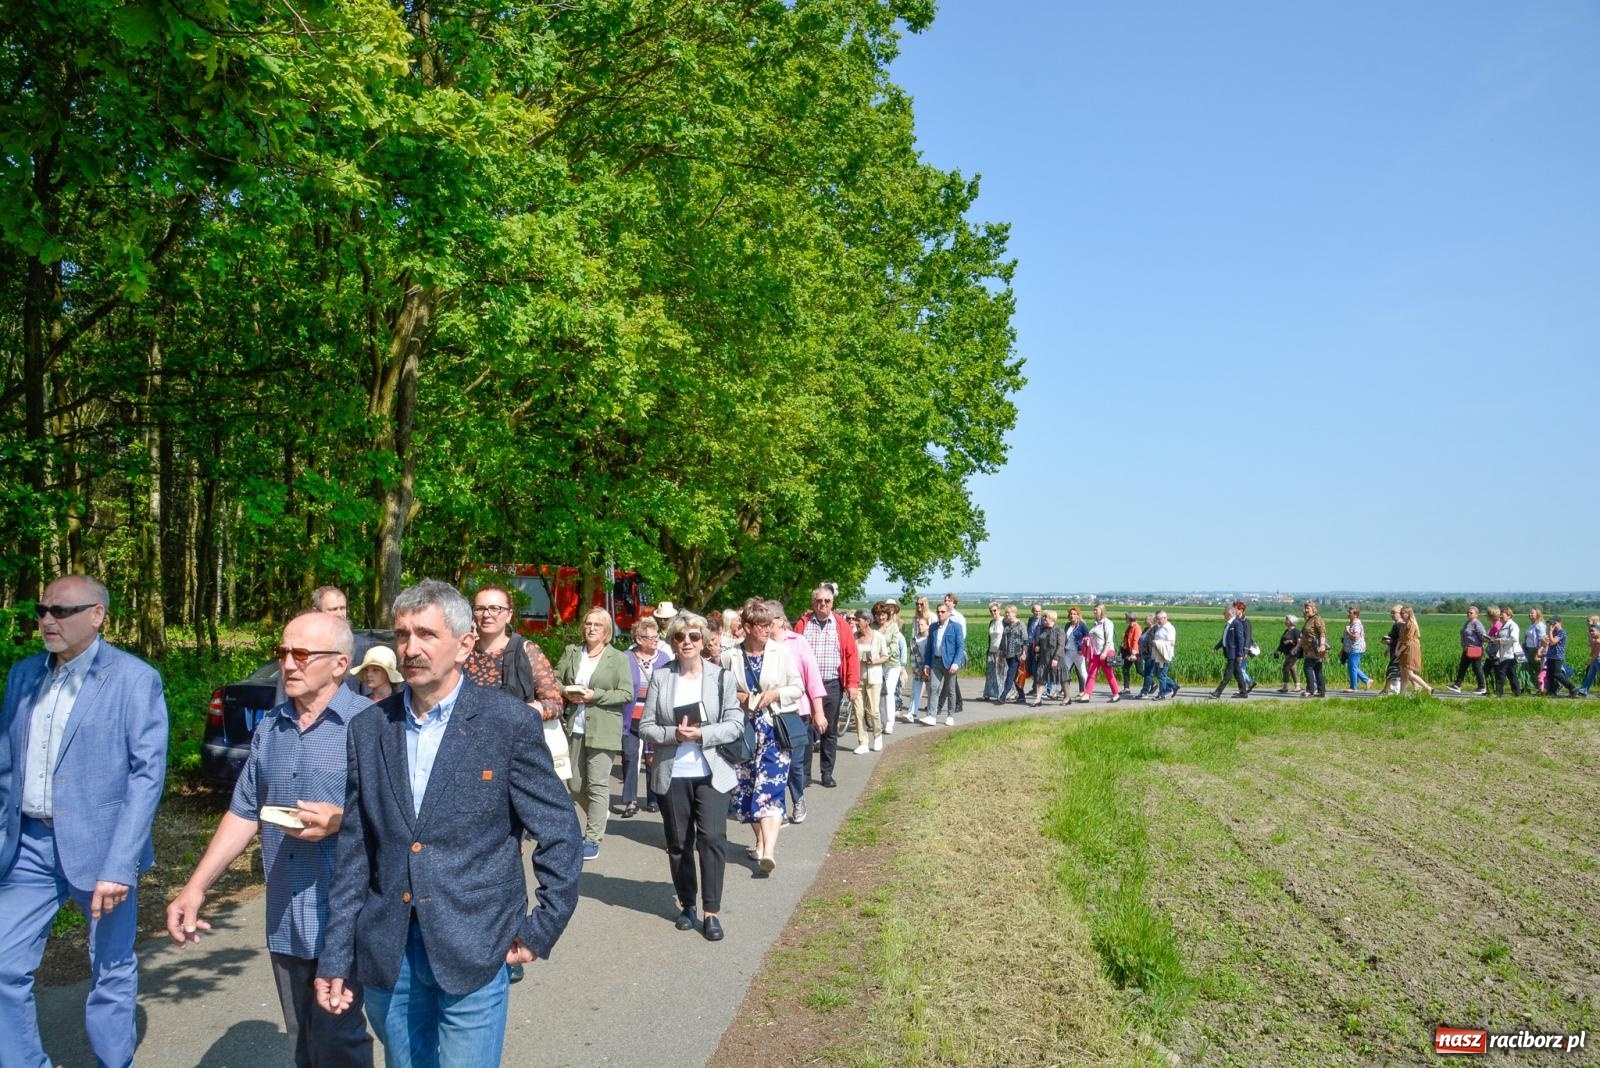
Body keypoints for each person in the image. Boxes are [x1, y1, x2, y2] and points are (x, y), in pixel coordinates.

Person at [314, 580, 581, 1066]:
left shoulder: (506, 724)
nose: (410, 648)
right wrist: (336, 953)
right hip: (389, 950)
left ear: (464, 644)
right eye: (401, 635)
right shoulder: (369, 728)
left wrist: (542, 926)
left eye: (425, 635)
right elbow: (356, 849)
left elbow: (560, 830)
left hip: (476, 945)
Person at [167, 611, 374, 1068]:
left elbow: (398, 821)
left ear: (341, 664)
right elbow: (244, 812)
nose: (288, 664)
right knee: (303, 1041)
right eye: (283, 652)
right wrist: (195, 887)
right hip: (286, 914)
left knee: (339, 1039)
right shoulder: (271, 728)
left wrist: (341, 821)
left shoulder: (371, 726)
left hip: (347, 916)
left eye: (302, 654)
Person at [0, 575, 168, 1068]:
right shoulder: (23, 674)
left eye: (61, 611)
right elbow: (7, 763)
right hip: (27, 846)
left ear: (97, 616)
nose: (47, 620)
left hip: (103, 850)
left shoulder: (135, 679)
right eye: (41, 610)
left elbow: (147, 776)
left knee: (111, 969)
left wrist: (120, 864)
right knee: (4, 965)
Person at [637, 612, 745, 940]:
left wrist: (702, 734)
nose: (687, 643)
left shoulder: (722, 678)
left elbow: (736, 724)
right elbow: (645, 726)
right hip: (674, 772)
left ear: (704, 640)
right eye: (680, 637)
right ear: (673, 642)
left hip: (712, 771)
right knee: (679, 843)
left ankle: (711, 910)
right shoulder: (661, 677)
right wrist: (674, 734)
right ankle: (688, 904)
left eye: (694, 637)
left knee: (712, 838)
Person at [721, 600, 803, 872]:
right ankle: (760, 840)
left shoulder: (782, 652)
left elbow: (797, 687)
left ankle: (769, 851)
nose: (768, 629)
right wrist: (738, 696)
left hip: (773, 730)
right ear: (746, 627)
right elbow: (719, 689)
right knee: (745, 791)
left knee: (771, 788)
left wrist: (774, 694)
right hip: (743, 732)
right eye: (761, 625)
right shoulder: (729, 656)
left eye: (770, 624)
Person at [556, 607, 634, 860]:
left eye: (597, 625)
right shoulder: (572, 652)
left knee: (598, 785)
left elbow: (626, 694)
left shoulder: (618, 658)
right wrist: (566, 691)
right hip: (574, 726)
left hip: (603, 728)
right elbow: (553, 679)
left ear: (606, 631)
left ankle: (592, 839)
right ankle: (599, 813)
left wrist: (594, 695)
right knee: (575, 783)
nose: (590, 628)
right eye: (588, 623)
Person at [465, 586, 564, 722]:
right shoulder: (463, 652)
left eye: (495, 608)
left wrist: (514, 713)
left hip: (511, 739)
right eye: (480, 608)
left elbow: (555, 705)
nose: (487, 614)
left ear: (509, 615)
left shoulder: (526, 651)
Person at [796, 586, 860, 789]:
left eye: (827, 601)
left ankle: (826, 773)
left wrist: (851, 684)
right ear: (812, 602)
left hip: (832, 683)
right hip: (805, 686)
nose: (822, 604)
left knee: (829, 731)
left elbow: (851, 655)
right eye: (818, 601)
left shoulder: (841, 625)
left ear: (832, 603)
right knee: (806, 730)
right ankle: (804, 775)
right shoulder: (803, 624)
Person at [767, 600, 826, 825]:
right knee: (773, 762)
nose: (763, 626)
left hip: (797, 713)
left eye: (767, 621)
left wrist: (818, 712)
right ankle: (778, 808)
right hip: (770, 713)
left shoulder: (798, 642)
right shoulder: (760, 645)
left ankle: (798, 798)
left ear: (780, 621)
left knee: (795, 763)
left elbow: (813, 679)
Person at [622, 617, 671, 818]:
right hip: (630, 716)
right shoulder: (625, 658)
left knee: (652, 758)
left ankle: (653, 798)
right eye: (651, 637)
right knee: (630, 756)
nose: (656, 640)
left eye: (657, 636)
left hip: (655, 716)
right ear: (639, 639)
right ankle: (630, 800)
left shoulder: (665, 658)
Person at [920, 601, 966, 724]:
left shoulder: (956, 627)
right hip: (935, 661)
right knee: (933, 688)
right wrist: (927, 664)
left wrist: (956, 663)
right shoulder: (933, 627)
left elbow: (960, 646)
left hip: (950, 663)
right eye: (938, 612)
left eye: (942, 612)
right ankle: (932, 716)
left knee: (951, 690)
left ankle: (950, 715)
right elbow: (930, 647)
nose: (940, 614)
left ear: (948, 613)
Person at [851, 611, 886, 751]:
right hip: (858, 678)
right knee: (858, 711)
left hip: (874, 678)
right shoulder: (854, 637)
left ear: (867, 621)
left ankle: (877, 735)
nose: (855, 622)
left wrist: (874, 661)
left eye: (857, 620)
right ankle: (863, 741)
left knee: (873, 711)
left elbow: (885, 656)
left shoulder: (878, 637)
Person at [873, 602, 905, 733]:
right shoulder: (873, 627)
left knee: (889, 693)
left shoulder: (893, 627)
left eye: (883, 615)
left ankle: (890, 723)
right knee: (880, 694)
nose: (881, 618)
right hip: (877, 665)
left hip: (892, 664)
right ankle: (883, 721)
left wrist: (883, 655)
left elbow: (894, 645)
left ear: (887, 615)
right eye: (878, 615)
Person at [1212, 602, 1253, 699]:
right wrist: (1216, 648)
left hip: (1234, 654)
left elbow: (1241, 640)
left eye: (1224, 613)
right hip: (1229, 653)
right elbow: (1224, 639)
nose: (1223, 615)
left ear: (1230, 614)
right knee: (1238, 673)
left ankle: (1218, 692)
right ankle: (1243, 692)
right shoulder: (1228, 625)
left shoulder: (1237, 624)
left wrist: (1240, 654)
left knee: (1228, 673)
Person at [1081, 603, 1121, 702]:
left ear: (1102, 611)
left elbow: (1108, 640)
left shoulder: (1107, 623)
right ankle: (1087, 694)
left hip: (1106, 652)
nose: (1094, 611)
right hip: (1095, 653)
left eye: (1096, 610)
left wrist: (1104, 652)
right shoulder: (1096, 623)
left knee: (1109, 674)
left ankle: (1116, 694)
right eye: (1094, 610)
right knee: (1091, 673)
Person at [1447, 606, 1489, 695]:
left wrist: (1489, 640)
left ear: (1476, 614)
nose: (1468, 614)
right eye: (1468, 612)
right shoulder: (1467, 623)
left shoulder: (1477, 624)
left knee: (1476, 668)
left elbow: (1483, 635)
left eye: (1471, 613)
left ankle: (1482, 687)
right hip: (1467, 649)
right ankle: (1457, 685)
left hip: (1475, 648)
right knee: (1462, 667)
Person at [1396, 604, 1434, 695]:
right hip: (1404, 649)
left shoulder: (1411, 624)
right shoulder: (1404, 624)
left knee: (1409, 673)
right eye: (1400, 613)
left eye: (1403, 613)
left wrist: (1399, 651)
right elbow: (1401, 639)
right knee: (1403, 673)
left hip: (1410, 649)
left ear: (1408, 614)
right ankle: (1402, 694)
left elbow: (1407, 641)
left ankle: (1427, 687)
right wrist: (1397, 649)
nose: (1401, 614)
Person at [1031, 610, 1064, 706]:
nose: (1044, 618)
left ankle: (1067, 697)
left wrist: (1056, 658)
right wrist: (1038, 646)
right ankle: (1038, 699)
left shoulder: (1059, 630)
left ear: (1052, 618)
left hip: (1055, 658)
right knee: (1040, 678)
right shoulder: (1043, 629)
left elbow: (1061, 646)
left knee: (1062, 678)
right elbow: (1040, 640)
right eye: (1044, 616)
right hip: (1043, 658)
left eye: (1046, 617)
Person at [1297, 601, 1328, 698]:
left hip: (1315, 649)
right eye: (1305, 608)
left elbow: (1322, 632)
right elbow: (1305, 635)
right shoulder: (1309, 620)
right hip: (1309, 649)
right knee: (1317, 669)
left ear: (1313, 609)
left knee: (1308, 668)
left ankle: (1311, 690)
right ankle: (1320, 691)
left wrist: (1322, 645)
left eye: (1308, 608)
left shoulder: (1317, 619)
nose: (1306, 610)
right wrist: (1298, 647)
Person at [1543, 617, 1579, 696]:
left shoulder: (1561, 632)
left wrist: (1550, 632)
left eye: (1554, 623)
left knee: (1557, 674)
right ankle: (1551, 691)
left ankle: (1572, 688)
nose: (1552, 625)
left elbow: (1552, 642)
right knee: (1550, 675)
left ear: (1560, 623)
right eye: (1551, 623)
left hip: (1557, 656)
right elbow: (1548, 643)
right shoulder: (1554, 632)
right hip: (1550, 656)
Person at [998, 605, 1027, 702]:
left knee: (1010, 674)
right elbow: (1003, 639)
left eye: (1009, 612)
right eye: (1006, 613)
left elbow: (1025, 640)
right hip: (1008, 654)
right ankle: (1022, 696)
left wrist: (1024, 653)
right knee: (1014, 677)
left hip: (1017, 654)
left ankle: (1003, 695)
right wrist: (1001, 652)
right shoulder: (1006, 625)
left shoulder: (1020, 624)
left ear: (1014, 613)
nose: (1007, 614)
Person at [1493, 607, 1523, 697]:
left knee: (1500, 672)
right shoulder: (1504, 625)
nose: (1501, 616)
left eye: (1503, 614)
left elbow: (1514, 638)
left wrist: (1500, 640)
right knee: (1511, 674)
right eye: (1500, 614)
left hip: (1511, 653)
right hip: (1505, 653)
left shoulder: (1512, 625)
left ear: (1509, 615)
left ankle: (1499, 693)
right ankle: (1517, 693)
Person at [1148, 611, 1179, 700]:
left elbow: (1172, 643)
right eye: (1156, 619)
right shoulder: (1160, 627)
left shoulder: (1169, 628)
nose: (1157, 621)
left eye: (1159, 619)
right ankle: (1174, 685)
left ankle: (1162, 694)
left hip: (1165, 655)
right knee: (1158, 674)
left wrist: (1157, 643)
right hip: (1158, 654)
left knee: (1161, 675)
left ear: (1165, 618)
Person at [1342, 606, 1371, 692]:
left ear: (1355, 615)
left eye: (1350, 613)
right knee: (1353, 667)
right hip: (1351, 648)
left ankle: (1354, 687)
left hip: (1355, 649)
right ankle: (1366, 680)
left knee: (1353, 668)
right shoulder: (1352, 623)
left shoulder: (1356, 624)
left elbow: (1356, 637)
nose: (1348, 614)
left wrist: (1348, 631)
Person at [907, 616, 930, 719]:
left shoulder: (931, 639)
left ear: (928, 626)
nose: (919, 627)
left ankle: (931, 713)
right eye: (918, 625)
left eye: (922, 625)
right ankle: (911, 713)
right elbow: (912, 656)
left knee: (931, 691)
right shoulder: (914, 639)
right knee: (915, 690)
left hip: (930, 668)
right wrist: (918, 669)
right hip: (918, 668)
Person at [982, 602, 1005, 701]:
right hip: (991, 650)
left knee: (1000, 673)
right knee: (991, 673)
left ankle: (1003, 694)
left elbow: (1005, 637)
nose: (993, 613)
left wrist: (1001, 651)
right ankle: (988, 693)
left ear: (999, 610)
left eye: (995, 610)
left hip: (1000, 651)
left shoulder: (1004, 621)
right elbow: (990, 638)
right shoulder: (991, 622)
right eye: (991, 611)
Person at [1522, 608, 1548, 694]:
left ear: (1538, 615)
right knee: (1532, 668)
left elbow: (1542, 639)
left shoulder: (1539, 625)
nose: (1529, 614)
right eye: (1529, 613)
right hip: (1529, 649)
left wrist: (1539, 651)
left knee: (1539, 669)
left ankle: (1542, 687)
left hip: (1536, 649)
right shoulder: (1532, 625)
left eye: (1532, 613)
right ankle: (1537, 686)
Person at [1275, 615, 1302, 693]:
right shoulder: (1286, 631)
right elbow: (1282, 642)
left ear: (1291, 622)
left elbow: (1300, 642)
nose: (1285, 621)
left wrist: (1291, 641)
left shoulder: (1296, 631)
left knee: (1285, 667)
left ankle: (1285, 687)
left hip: (1293, 653)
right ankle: (1297, 686)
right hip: (1287, 653)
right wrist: (1278, 650)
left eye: (1286, 620)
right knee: (1293, 669)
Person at [1117, 612, 1141, 694]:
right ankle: (1126, 688)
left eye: (1126, 618)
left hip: (1135, 653)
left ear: (1130, 619)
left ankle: (1152, 683)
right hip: (1128, 651)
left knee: (1140, 670)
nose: (1125, 619)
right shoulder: (1130, 627)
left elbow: (1136, 640)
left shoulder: (1136, 627)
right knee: (1125, 669)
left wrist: (1133, 654)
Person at [1578, 616, 1600, 697]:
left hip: (1597, 659)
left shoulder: (1598, 641)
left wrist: (1590, 661)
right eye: (1590, 631)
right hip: (1595, 659)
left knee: (1590, 675)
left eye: (1593, 631)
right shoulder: (1595, 640)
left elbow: (1597, 654)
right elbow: (1593, 651)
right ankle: (1583, 691)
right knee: (1590, 676)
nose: (1591, 633)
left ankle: (1583, 690)